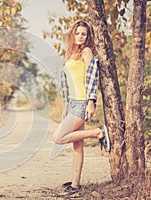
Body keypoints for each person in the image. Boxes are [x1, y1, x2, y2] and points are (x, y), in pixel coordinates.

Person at [51, 21, 110, 196]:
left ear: (88, 36)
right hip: (72, 103)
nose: (80, 36)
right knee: (77, 146)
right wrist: (65, 107)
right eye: (78, 33)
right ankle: (75, 185)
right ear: (73, 34)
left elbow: (92, 76)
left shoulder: (86, 52)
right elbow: (67, 83)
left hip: (82, 102)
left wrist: (91, 101)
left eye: (84, 34)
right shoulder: (71, 54)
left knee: (58, 137)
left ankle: (98, 132)